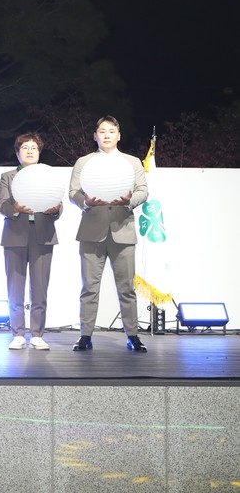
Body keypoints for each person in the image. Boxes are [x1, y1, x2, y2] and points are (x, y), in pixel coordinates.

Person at [69, 115, 149, 352]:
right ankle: (85, 335)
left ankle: (133, 335)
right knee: (89, 288)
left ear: (119, 135)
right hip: (91, 231)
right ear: (95, 136)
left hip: (123, 230)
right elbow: (73, 192)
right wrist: (86, 202)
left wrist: (129, 201)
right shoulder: (84, 162)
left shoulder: (132, 162)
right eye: (102, 131)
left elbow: (143, 191)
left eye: (111, 131)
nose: (106, 135)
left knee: (127, 288)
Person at [0, 133, 62, 351]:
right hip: (14, 235)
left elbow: (58, 203)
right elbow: (1, 205)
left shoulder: (48, 175)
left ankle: (37, 334)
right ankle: (17, 333)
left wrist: (55, 210)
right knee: (15, 288)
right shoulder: (8, 177)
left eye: (34, 147)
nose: (30, 151)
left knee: (40, 287)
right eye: (25, 147)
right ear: (17, 153)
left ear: (39, 152)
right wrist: (14, 208)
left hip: (43, 234)